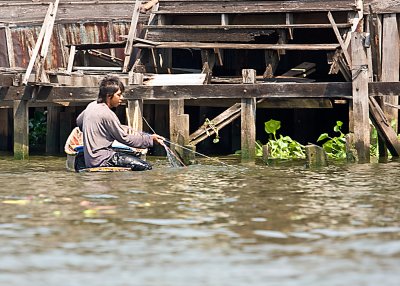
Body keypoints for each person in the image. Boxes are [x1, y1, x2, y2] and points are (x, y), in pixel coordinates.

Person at [76, 75, 164, 171]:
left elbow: (79, 122)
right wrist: (150, 140)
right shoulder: (108, 114)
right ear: (109, 96)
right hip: (104, 159)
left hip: (90, 159)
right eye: (118, 95)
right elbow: (124, 138)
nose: (121, 98)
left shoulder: (91, 105)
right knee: (146, 167)